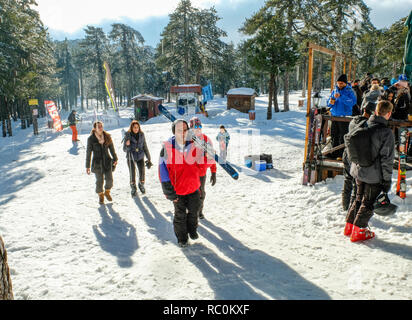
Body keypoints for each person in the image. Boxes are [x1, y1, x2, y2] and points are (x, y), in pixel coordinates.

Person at [344, 100, 395, 242]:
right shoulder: (386, 132)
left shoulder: (364, 124)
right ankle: (359, 231)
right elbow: (387, 160)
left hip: (358, 169)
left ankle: (349, 226)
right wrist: (386, 180)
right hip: (374, 174)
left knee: (358, 198)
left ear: (376, 111)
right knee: (368, 202)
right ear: (389, 113)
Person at [158, 119, 203, 247]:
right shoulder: (167, 147)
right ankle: (182, 238)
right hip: (178, 190)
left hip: (194, 186)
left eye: (185, 130)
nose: (182, 133)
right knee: (180, 215)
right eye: (179, 130)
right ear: (174, 132)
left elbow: (201, 162)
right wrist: (168, 190)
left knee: (194, 211)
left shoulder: (194, 144)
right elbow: (163, 170)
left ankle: (192, 230)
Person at [341, 106, 373, 211]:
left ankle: (345, 205)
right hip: (357, 156)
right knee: (356, 184)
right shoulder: (366, 125)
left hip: (347, 152)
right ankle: (352, 209)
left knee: (347, 180)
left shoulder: (353, 120)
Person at [189, 117, 217, 220]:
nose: (198, 129)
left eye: (199, 126)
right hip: (190, 173)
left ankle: (199, 211)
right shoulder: (187, 140)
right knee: (191, 194)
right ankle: (191, 211)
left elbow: (212, 157)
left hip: (201, 173)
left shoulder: (206, 139)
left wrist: (213, 172)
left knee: (201, 193)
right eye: (195, 127)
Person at [86, 121, 118, 205]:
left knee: (110, 180)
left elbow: (112, 149)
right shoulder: (91, 139)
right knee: (99, 181)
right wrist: (87, 166)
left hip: (107, 161)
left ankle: (107, 192)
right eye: (98, 127)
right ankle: (101, 195)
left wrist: (115, 159)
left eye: (101, 126)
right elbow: (88, 153)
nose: (100, 128)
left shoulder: (107, 136)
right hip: (97, 163)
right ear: (95, 128)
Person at [327, 74, 357, 159]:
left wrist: (341, 97)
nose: (339, 85)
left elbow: (352, 102)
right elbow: (328, 102)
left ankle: (341, 154)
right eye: (338, 83)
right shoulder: (334, 90)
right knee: (333, 135)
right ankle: (333, 153)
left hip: (344, 117)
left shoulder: (350, 91)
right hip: (334, 116)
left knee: (342, 136)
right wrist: (330, 102)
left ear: (345, 83)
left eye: (341, 83)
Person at [123, 120, 152, 196]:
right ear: (131, 128)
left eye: (137, 127)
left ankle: (141, 184)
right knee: (132, 173)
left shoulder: (142, 135)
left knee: (142, 172)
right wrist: (127, 144)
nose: (136, 129)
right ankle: (133, 187)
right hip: (131, 157)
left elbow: (145, 146)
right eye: (134, 127)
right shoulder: (128, 135)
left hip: (140, 156)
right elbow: (124, 149)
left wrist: (148, 157)